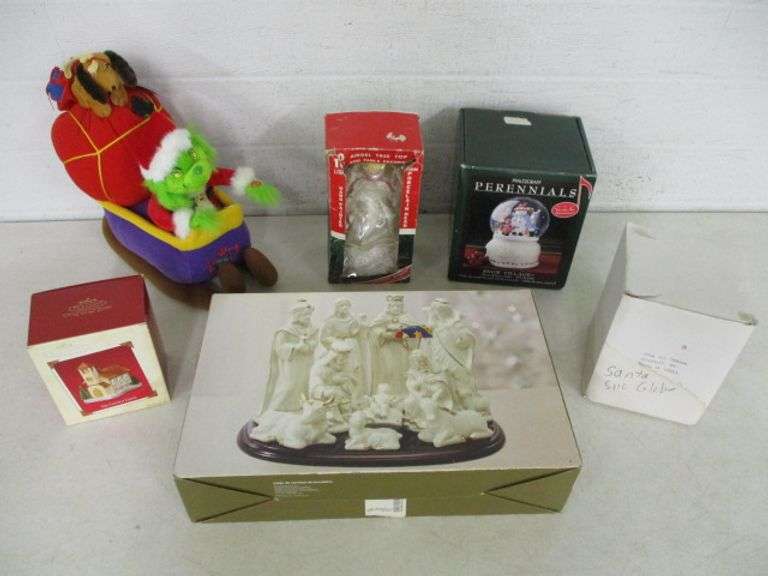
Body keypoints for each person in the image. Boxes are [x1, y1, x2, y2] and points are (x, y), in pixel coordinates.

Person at [260, 299, 318, 413]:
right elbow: (279, 347)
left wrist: (309, 346)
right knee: (291, 384)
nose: (308, 317)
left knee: (304, 383)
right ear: (297, 315)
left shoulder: (312, 329)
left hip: (307, 361)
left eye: (309, 315)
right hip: (293, 362)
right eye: (305, 315)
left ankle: (298, 406)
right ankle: (277, 408)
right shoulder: (285, 330)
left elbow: (315, 342)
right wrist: (296, 347)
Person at [369, 295, 415, 396]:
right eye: (393, 306)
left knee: (402, 369)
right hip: (387, 347)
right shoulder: (382, 317)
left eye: (398, 306)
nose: (396, 308)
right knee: (388, 369)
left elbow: (415, 331)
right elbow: (373, 329)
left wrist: (405, 334)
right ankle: (387, 394)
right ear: (389, 307)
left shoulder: (407, 318)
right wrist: (383, 333)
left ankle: (402, 394)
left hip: (402, 347)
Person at [318, 298, 367, 395]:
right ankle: (340, 394)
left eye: (347, 306)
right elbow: (324, 337)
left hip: (352, 347)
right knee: (339, 369)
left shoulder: (353, 320)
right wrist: (336, 342)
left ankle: (355, 393)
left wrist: (362, 325)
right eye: (342, 306)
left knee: (354, 369)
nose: (345, 308)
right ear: (336, 308)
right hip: (337, 348)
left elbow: (360, 335)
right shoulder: (330, 321)